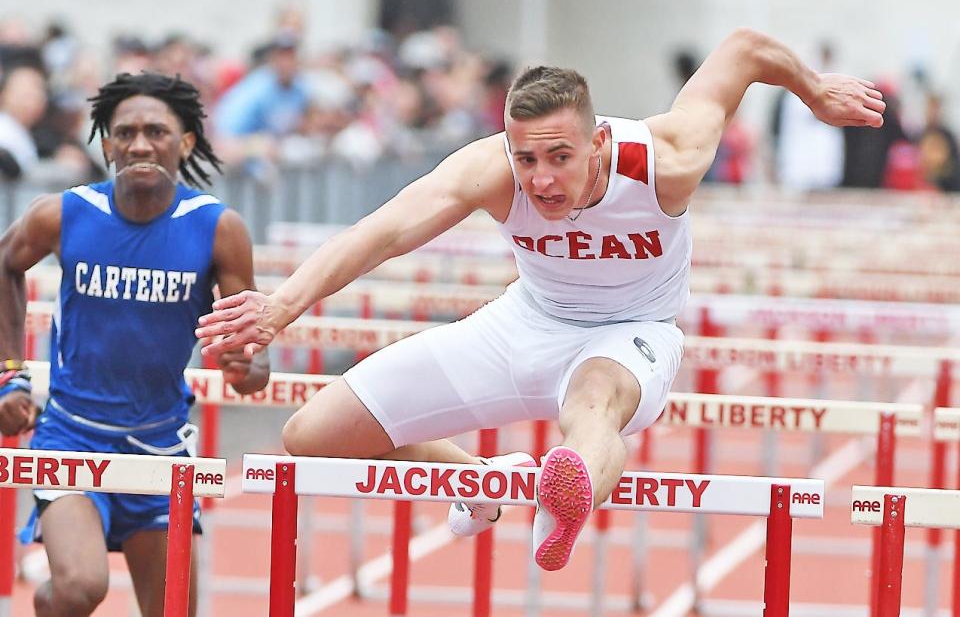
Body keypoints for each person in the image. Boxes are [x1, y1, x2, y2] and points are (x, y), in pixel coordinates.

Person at [196, 28, 884, 571]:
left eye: (560, 157)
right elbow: (383, 232)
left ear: (600, 142)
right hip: (522, 323)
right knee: (311, 436)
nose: (542, 181)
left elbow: (744, 50)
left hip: (629, 334)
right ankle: (480, 481)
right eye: (527, 160)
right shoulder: (490, 170)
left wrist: (814, 89)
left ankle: (569, 491)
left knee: (591, 406)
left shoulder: (665, 161)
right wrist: (279, 307)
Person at [0, 72, 270, 616]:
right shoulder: (65, 212)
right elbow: (5, 265)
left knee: (173, 611)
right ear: (106, 144)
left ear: (185, 141)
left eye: (156, 131)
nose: (140, 144)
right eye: (125, 133)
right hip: (72, 435)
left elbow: (252, 355)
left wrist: (248, 366)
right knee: (78, 590)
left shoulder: (218, 228)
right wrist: (10, 372)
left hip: (159, 443)